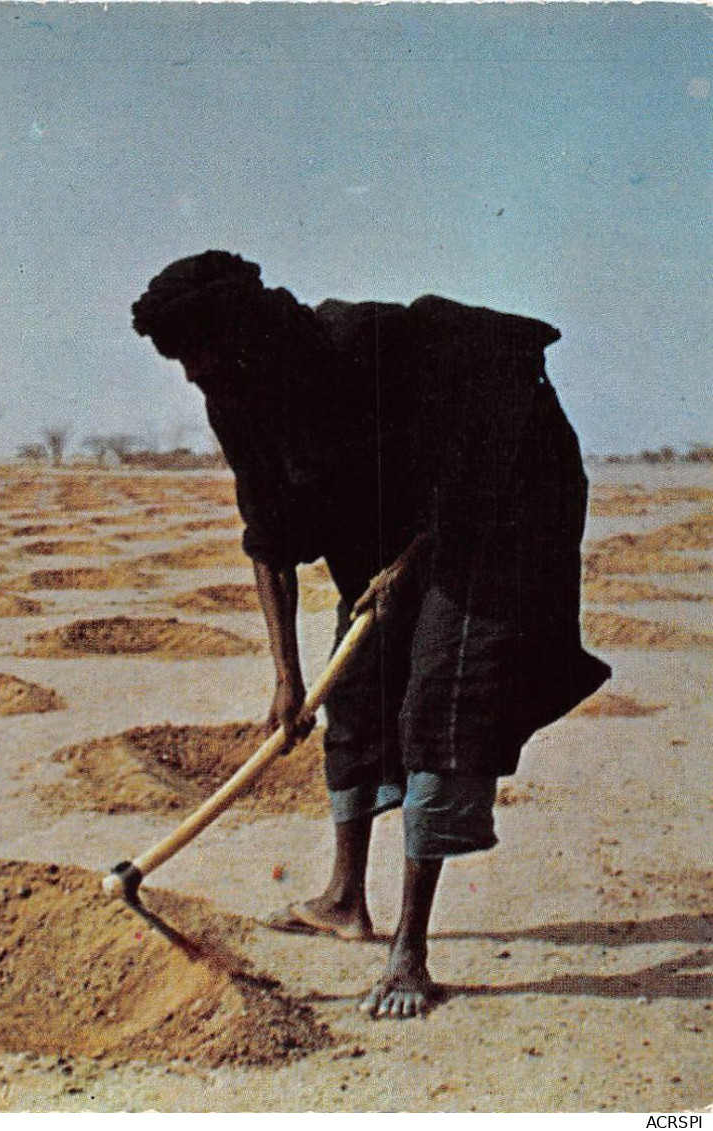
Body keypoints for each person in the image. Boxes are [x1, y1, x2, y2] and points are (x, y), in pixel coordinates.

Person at [131, 251, 610, 1018]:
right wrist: (287, 682)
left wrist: (421, 548)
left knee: (442, 696)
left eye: (201, 352)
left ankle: (409, 952)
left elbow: (478, 441)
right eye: (181, 359)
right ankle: (343, 899)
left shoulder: (368, 344)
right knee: (352, 686)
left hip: (504, 492)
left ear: (244, 334)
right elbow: (268, 535)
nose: (191, 373)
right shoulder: (236, 398)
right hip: (392, 511)